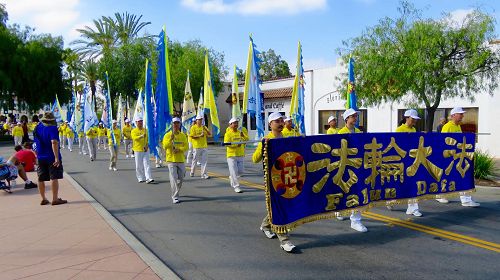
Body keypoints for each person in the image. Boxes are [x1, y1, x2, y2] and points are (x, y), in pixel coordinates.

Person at [252, 112, 296, 253]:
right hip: (272, 179)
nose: (281, 123)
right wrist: (264, 147)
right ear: (270, 124)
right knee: (279, 207)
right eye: (277, 121)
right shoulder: (266, 139)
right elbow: (255, 159)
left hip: (286, 177)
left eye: (281, 120)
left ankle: (265, 225)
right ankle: (284, 239)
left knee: (280, 205)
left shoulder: (286, 138)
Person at [436, 107, 480, 207]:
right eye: (460, 114)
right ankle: (441, 195)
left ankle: (465, 199)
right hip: (449, 157)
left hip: (458, 156)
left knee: (462, 175)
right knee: (446, 176)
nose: (462, 116)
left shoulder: (458, 127)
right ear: (453, 115)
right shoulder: (447, 127)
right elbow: (443, 142)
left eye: (462, 114)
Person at [336, 108, 368, 233]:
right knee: (344, 191)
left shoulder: (359, 132)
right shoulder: (341, 132)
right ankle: (339, 210)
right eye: (353, 116)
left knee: (357, 192)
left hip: (357, 166)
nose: (355, 118)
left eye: (356, 116)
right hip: (345, 166)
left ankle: (355, 220)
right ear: (347, 119)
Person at [388, 109, 423, 217]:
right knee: (400, 183)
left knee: (413, 183)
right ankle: (390, 200)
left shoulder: (414, 129)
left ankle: (412, 208)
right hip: (402, 161)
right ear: (407, 118)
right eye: (413, 119)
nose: (414, 122)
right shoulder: (400, 129)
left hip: (412, 159)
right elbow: (397, 145)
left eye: (415, 120)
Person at [33, 112, 67, 206]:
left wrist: (36, 155)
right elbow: (54, 142)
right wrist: (56, 157)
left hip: (40, 156)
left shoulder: (37, 128)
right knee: (54, 177)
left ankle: (43, 198)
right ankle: (55, 199)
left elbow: (35, 143)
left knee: (40, 178)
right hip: (51, 156)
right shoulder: (52, 128)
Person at [162, 117, 188, 203]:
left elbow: (186, 146)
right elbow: (165, 146)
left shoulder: (183, 135)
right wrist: (170, 139)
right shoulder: (167, 135)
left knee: (181, 177)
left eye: (177, 123)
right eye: (174, 123)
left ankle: (177, 191)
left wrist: (179, 149)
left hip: (180, 159)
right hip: (171, 160)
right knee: (174, 178)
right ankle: (175, 196)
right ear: (172, 125)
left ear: (180, 124)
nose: (176, 125)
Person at [224, 117, 249, 193]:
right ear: (230, 125)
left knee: (241, 172)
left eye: (237, 123)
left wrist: (243, 136)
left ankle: (232, 177)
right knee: (234, 172)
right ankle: (236, 186)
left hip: (240, 154)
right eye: (234, 123)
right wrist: (235, 146)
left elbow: (247, 139)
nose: (236, 124)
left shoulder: (239, 132)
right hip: (231, 155)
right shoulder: (228, 133)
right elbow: (226, 143)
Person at [131, 118, 153, 183]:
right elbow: (134, 138)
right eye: (139, 122)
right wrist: (141, 136)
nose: (140, 123)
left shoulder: (145, 130)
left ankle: (148, 178)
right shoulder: (134, 131)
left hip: (145, 150)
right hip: (137, 150)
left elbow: (148, 139)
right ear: (136, 123)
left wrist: (147, 146)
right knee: (138, 165)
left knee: (147, 164)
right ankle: (140, 177)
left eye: (141, 121)